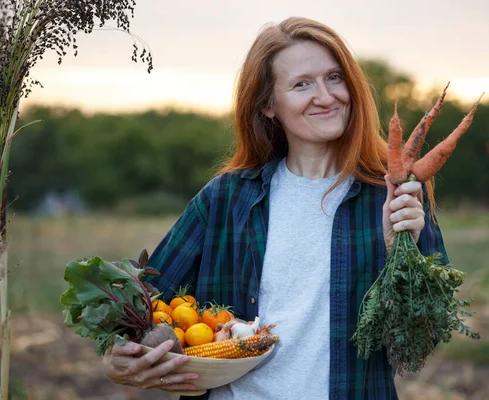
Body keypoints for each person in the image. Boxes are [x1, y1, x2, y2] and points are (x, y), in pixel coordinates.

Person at [102, 16, 448, 400]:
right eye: (302, 84)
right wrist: (115, 357)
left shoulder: (394, 197)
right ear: (268, 104)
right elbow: (138, 304)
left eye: (334, 77)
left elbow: (424, 336)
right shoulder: (225, 199)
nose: (326, 95)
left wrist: (400, 251)